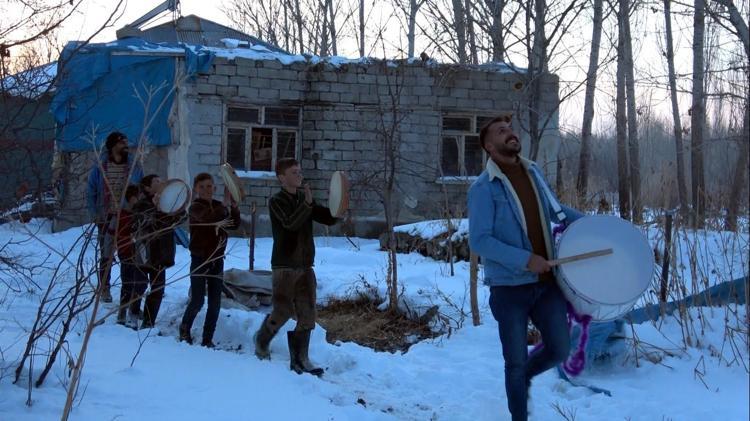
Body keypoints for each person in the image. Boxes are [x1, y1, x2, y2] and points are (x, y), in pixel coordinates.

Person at [467, 114, 584, 421]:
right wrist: (525, 259)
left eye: (510, 129)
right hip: (509, 289)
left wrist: (592, 224)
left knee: (559, 349)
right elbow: (479, 240)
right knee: (515, 361)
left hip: (545, 284)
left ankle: (522, 378)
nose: (510, 133)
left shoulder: (533, 172)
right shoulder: (483, 188)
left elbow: (555, 210)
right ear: (489, 146)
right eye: (501, 131)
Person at [252, 158, 338, 376]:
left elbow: (327, 218)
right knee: (283, 311)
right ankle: (262, 339)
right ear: (282, 178)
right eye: (294, 172)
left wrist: (338, 205)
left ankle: (301, 360)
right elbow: (290, 224)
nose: (299, 175)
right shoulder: (277, 201)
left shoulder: (303, 198)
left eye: (300, 171)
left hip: (306, 265)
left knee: (308, 313)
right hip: (284, 266)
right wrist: (307, 205)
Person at [179, 173, 240, 348]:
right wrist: (225, 206)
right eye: (202, 186)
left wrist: (234, 208)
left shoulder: (220, 206)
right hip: (200, 259)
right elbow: (210, 218)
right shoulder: (195, 208)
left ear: (214, 187)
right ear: (196, 189)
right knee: (198, 300)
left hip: (217, 259)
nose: (206, 190)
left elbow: (233, 224)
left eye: (209, 186)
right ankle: (184, 329)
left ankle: (207, 338)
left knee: (215, 302)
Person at [87, 131, 143, 303]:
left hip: (127, 216)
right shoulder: (100, 167)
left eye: (126, 141)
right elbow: (91, 191)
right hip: (106, 216)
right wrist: (95, 214)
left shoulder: (134, 166)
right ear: (112, 146)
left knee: (128, 255)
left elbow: (139, 189)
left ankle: (129, 291)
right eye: (121, 142)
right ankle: (104, 287)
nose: (125, 145)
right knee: (106, 255)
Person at [132, 174, 185, 329]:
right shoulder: (141, 205)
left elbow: (180, 218)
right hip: (145, 252)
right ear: (148, 188)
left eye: (161, 180)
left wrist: (179, 205)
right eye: (157, 181)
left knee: (158, 288)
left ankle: (149, 321)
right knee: (140, 286)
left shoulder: (168, 203)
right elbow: (145, 224)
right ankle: (133, 313)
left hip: (161, 253)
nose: (161, 183)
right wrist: (156, 208)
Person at [113, 185, 148, 325]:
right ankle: (122, 311)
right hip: (126, 252)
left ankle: (134, 308)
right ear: (132, 198)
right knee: (127, 283)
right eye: (138, 197)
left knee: (141, 282)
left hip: (139, 253)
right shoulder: (123, 215)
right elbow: (115, 233)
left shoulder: (139, 213)